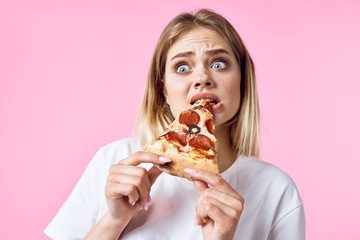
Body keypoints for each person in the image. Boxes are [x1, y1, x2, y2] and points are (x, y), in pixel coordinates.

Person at [44, 9, 305, 240]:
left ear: (242, 82)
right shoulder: (113, 161)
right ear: (164, 90)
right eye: (182, 68)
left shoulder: (277, 190)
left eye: (218, 63)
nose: (202, 77)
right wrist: (114, 220)